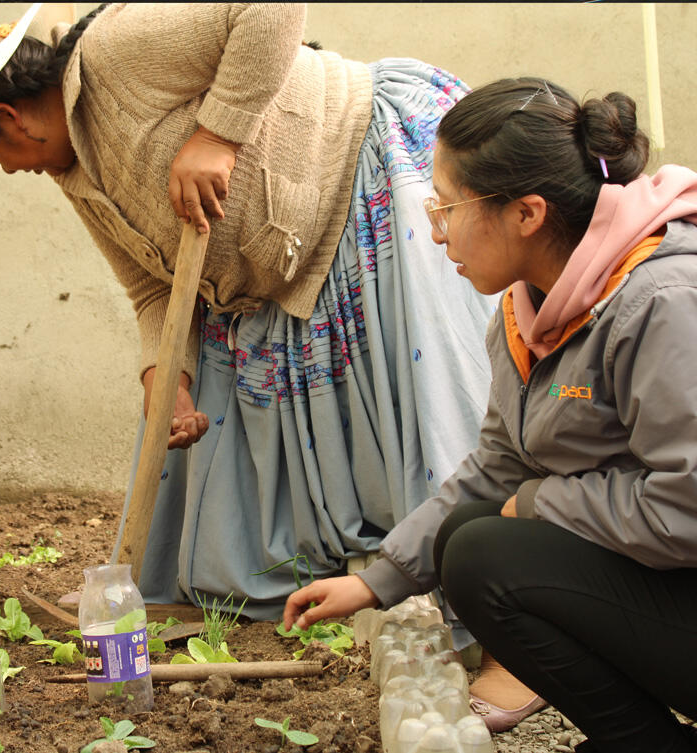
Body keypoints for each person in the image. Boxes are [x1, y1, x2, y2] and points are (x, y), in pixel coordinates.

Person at [0, 0, 503, 699]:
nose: (8, 170)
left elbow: (269, 11)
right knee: (226, 407)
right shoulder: (75, 172)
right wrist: (169, 379)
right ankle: (323, 588)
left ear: (9, 120)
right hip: (266, 271)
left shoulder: (113, 52)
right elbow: (149, 289)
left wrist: (216, 136)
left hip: (361, 164)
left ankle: (500, 628)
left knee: (435, 410)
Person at [284, 75, 697, 750]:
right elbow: (501, 464)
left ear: (527, 213)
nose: (437, 231)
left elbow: (688, 506)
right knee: (470, 536)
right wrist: (379, 580)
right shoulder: (531, 307)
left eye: (448, 207)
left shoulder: (663, 299)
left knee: (484, 550)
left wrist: (542, 502)